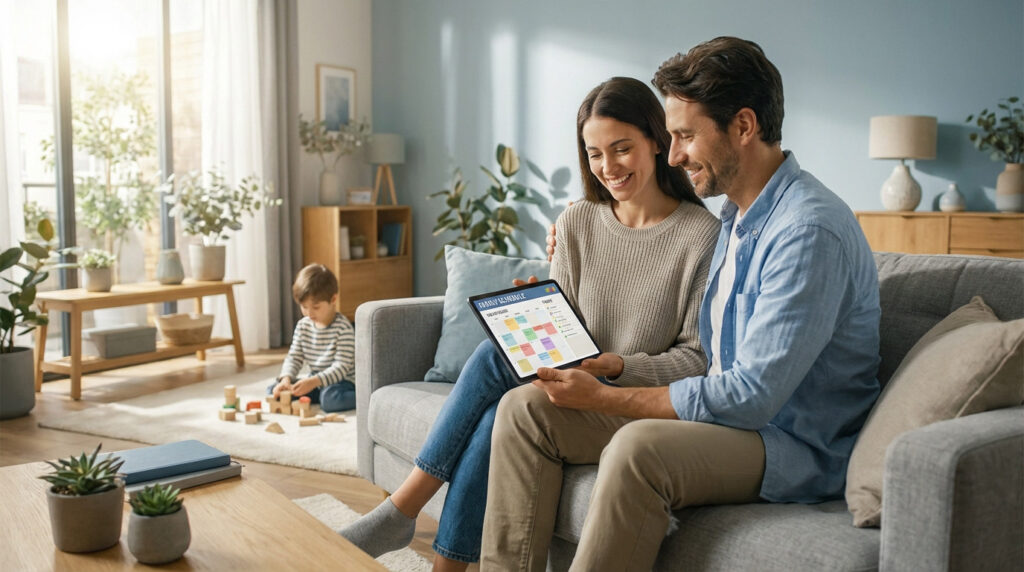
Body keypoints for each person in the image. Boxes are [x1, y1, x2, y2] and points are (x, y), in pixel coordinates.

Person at [481, 37, 881, 571]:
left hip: (787, 443)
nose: (672, 156)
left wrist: (607, 397)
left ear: (743, 126)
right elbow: (711, 358)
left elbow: (751, 396)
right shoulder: (739, 219)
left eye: (685, 136)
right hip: (728, 422)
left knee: (638, 449)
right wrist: (617, 368)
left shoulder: (807, 229)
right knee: (526, 410)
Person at [339, 77, 720, 571]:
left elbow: (695, 359)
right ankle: (440, 558)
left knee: (493, 364)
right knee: (501, 401)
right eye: (595, 154)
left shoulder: (702, 238)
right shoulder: (579, 220)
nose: (608, 167)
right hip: (566, 380)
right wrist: (537, 311)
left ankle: (404, 510)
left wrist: (616, 365)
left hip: (627, 402)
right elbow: (570, 322)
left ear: (656, 140)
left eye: (622, 149)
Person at [268, 263, 356, 412]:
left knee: (329, 400)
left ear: (333, 299)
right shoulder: (303, 326)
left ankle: (366, 397)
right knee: (274, 390)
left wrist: (314, 382)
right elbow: (294, 357)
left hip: (342, 382)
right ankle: (315, 393)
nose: (309, 313)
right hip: (316, 381)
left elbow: (341, 368)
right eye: (304, 307)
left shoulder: (343, 328)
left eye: (315, 307)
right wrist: (286, 378)